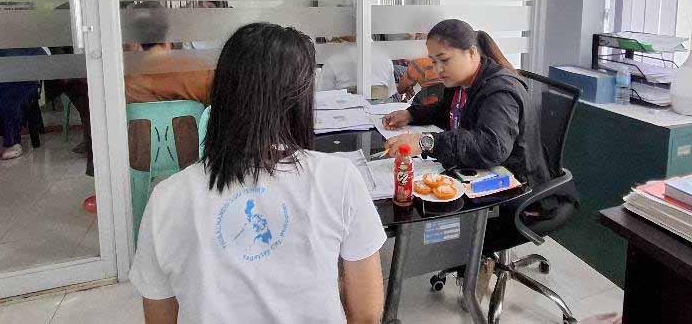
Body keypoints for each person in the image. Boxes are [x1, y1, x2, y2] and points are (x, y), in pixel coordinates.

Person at [130, 23, 386, 324]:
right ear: (301, 101)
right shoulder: (338, 179)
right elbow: (366, 315)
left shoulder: (167, 197)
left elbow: (159, 318)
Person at [381, 19, 551, 190]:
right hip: (475, 172)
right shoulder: (460, 82)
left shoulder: (500, 91)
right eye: (433, 61)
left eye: (444, 60)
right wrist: (411, 114)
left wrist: (425, 142)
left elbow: (490, 147)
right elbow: (447, 111)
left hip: (515, 186)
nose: (438, 69)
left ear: (471, 53)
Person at [317, 36, 398, 99]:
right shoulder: (384, 56)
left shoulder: (334, 60)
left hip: (345, 111)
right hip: (380, 111)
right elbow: (390, 92)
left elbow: (322, 95)